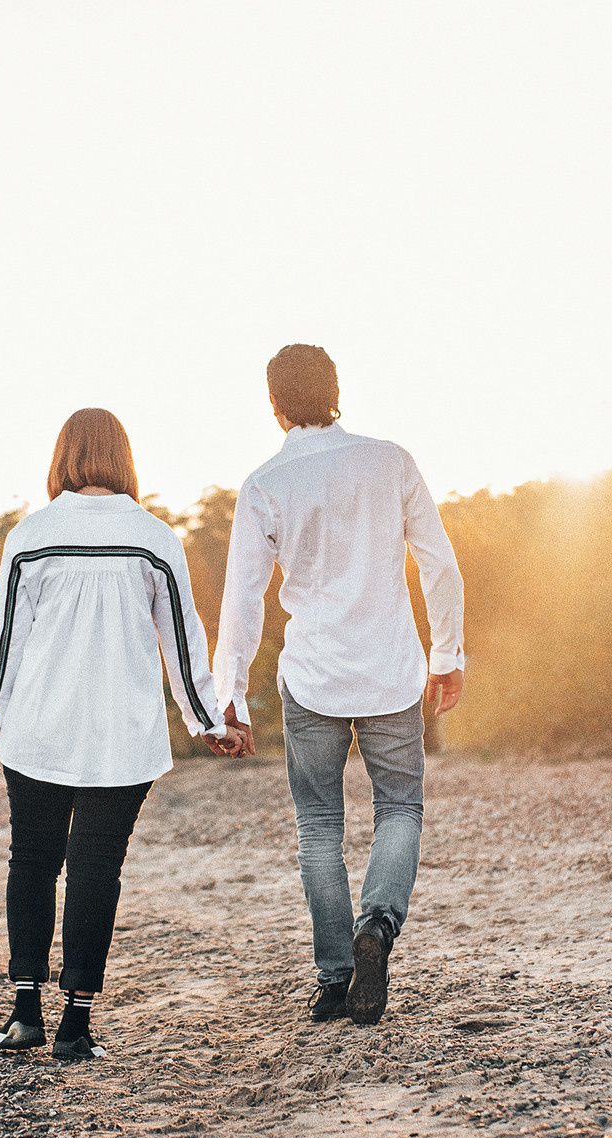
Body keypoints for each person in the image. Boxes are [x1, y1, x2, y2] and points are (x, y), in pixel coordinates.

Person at [0, 407, 240, 1060]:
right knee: (96, 870)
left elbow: (6, 637)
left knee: (32, 862)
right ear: (124, 459)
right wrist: (206, 717)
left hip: (39, 729)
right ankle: (75, 1027)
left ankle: (25, 1015)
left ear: (62, 456)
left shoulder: (31, 535)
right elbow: (182, 635)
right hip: (122, 736)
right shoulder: (154, 537)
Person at [209, 344, 465, 1026]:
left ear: (274, 405)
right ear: (336, 389)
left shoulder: (266, 483)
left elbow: (243, 598)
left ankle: (333, 979)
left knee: (318, 825)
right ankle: (377, 925)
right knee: (400, 809)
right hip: (390, 669)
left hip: (314, 675)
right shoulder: (390, 460)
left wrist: (227, 689)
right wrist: (448, 652)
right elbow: (440, 563)